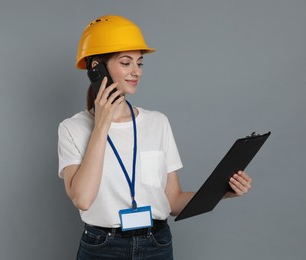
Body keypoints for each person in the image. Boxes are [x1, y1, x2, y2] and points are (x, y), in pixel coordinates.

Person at [58, 14, 252, 260]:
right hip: (103, 247)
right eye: (126, 62)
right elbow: (83, 199)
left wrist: (224, 191)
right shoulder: (72, 129)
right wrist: (101, 126)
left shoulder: (157, 123)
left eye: (140, 63)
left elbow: (172, 202)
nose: (136, 71)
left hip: (156, 245)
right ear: (96, 68)